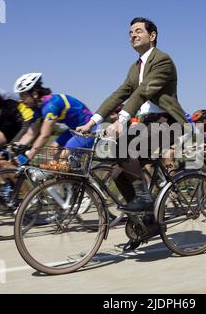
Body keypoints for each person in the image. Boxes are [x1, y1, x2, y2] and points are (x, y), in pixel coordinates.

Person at [76, 17, 189, 213]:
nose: (132, 36)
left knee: (125, 146)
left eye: (138, 31)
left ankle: (144, 199)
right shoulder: (135, 67)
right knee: (119, 172)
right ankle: (145, 220)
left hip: (168, 123)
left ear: (152, 36)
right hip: (147, 123)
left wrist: (122, 120)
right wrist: (92, 122)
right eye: (130, 33)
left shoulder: (163, 60)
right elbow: (119, 94)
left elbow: (144, 91)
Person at [11, 73, 95, 165]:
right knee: (52, 153)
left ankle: (73, 178)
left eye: (23, 95)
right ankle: (67, 178)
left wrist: (29, 156)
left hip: (90, 129)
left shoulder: (50, 105)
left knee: (63, 156)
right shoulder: (37, 108)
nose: (21, 100)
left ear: (34, 94)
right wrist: (13, 147)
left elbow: (45, 136)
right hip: (75, 130)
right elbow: (31, 133)